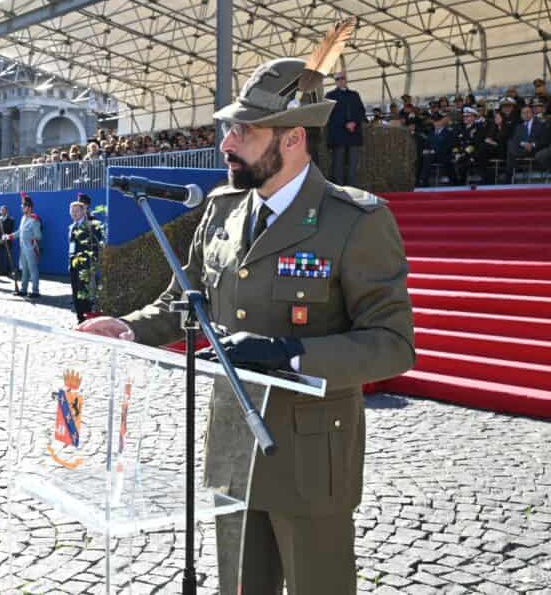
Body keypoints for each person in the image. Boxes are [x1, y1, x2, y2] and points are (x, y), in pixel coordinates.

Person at [78, 55, 415, 595]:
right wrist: (126, 327)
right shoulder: (223, 211)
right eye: (230, 128)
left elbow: (393, 345)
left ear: (293, 139)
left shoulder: (355, 222)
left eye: (245, 129)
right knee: (238, 587)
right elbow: (183, 301)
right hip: (234, 447)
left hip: (309, 455)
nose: (226, 144)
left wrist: (290, 355)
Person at [325, 71, 366, 186]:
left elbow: (361, 111)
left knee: (353, 163)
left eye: (342, 78)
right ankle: (339, 189)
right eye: (337, 79)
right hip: (339, 134)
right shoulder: (330, 96)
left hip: (354, 133)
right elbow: (330, 114)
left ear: (346, 79)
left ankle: (352, 188)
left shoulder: (354, 95)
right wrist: (345, 124)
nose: (340, 81)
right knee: (338, 163)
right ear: (335, 81)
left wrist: (354, 123)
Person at [68, 195, 104, 323]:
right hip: (73, 264)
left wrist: (91, 261)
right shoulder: (72, 226)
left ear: (84, 211)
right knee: (76, 291)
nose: (74, 213)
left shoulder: (91, 225)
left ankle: (86, 317)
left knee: (85, 292)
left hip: (86, 265)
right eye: (72, 211)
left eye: (77, 211)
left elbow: (98, 242)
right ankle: (79, 317)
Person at [4, 194, 42, 298]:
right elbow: (19, 232)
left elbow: (38, 235)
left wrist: (32, 241)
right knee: (24, 269)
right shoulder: (23, 218)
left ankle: (35, 291)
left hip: (30, 248)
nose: (22, 207)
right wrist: (8, 236)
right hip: (23, 248)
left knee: (33, 270)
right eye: (22, 206)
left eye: (23, 206)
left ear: (29, 207)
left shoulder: (34, 219)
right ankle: (23, 289)